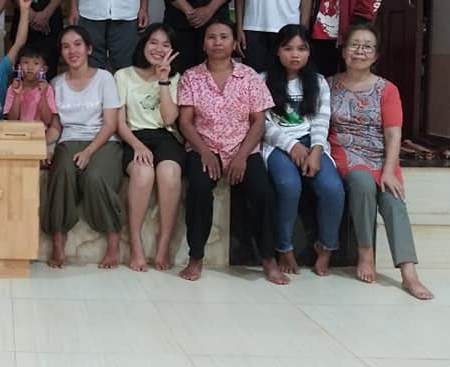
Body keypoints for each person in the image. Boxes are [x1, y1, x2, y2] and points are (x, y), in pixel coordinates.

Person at [328, 23, 433, 300]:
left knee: (393, 198)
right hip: (345, 152)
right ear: (344, 50)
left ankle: (409, 273)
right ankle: (366, 252)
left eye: (367, 47)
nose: (359, 51)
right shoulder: (328, 85)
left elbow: (393, 134)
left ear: (375, 55)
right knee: (363, 183)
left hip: (380, 155)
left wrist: (389, 170)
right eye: (354, 45)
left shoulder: (387, 89)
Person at [177, 19, 286, 284]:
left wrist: (241, 156)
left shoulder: (249, 76)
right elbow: (185, 122)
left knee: (263, 192)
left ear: (234, 42)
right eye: (211, 37)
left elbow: (258, 122)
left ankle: (269, 259)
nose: (217, 42)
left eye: (224, 37)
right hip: (203, 146)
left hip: (242, 147)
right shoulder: (191, 76)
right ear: (203, 44)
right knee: (198, 189)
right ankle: (196, 257)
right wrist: (204, 152)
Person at [261, 24, 345, 277]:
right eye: (288, 48)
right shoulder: (262, 80)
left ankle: (326, 247)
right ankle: (284, 247)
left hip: (312, 142)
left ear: (309, 52)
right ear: (277, 51)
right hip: (277, 143)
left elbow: (321, 120)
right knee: (289, 185)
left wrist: (316, 151)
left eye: (301, 48)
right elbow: (262, 124)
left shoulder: (318, 82)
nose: (295, 54)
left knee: (332, 188)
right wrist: (291, 146)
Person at [44, 26, 124, 269]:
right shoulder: (56, 84)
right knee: (62, 173)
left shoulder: (105, 78)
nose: (72, 51)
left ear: (89, 48)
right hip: (69, 140)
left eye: (78, 44)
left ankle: (113, 242)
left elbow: (111, 124)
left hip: (103, 141)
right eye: (66, 46)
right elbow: (56, 126)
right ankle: (58, 242)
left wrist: (89, 152)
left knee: (95, 177)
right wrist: (44, 147)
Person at [114, 24, 186, 272]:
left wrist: (164, 80)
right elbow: (119, 122)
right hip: (133, 137)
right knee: (143, 173)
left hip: (165, 136)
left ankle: (163, 244)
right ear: (143, 44)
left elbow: (169, 119)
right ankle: (136, 244)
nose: (158, 49)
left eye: (166, 45)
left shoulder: (175, 78)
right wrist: (137, 145)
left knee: (169, 172)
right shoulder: (123, 75)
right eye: (153, 42)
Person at [4, 44, 61, 160]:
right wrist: (17, 95)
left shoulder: (47, 89)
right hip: (19, 134)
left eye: (36, 63)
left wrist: (43, 95)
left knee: (53, 137)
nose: (30, 67)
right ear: (19, 67)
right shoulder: (12, 89)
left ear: (44, 69)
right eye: (25, 62)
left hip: (41, 134)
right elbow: (12, 120)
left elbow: (47, 120)